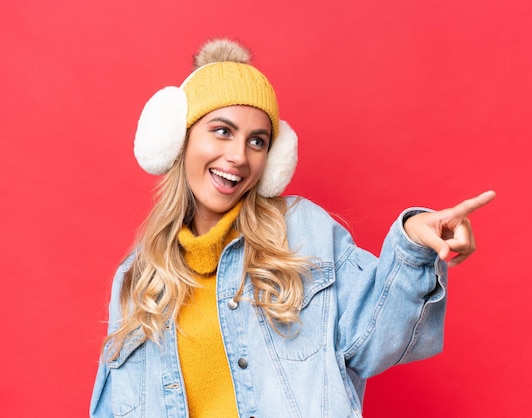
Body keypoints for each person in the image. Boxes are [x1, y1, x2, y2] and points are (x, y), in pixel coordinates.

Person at [89, 38, 495, 418]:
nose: (238, 156)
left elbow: (376, 342)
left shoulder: (302, 231)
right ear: (179, 138)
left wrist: (412, 246)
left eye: (257, 141)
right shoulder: (136, 281)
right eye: (222, 131)